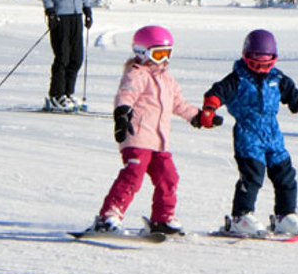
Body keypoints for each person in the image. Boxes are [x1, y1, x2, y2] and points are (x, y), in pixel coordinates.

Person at [197, 29, 298, 237]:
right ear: (245, 56)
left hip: (273, 134)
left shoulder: (277, 78)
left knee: (285, 175)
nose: (260, 69)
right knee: (252, 175)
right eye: (255, 63)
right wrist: (209, 109)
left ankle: (284, 216)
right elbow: (216, 93)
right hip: (248, 134)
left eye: (265, 64)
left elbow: (295, 97)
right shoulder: (237, 79)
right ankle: (241, 216)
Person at [91, 25, 213, 235]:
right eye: (158, 54)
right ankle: (109, 216)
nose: (163, 60)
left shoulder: (168, 80)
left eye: (167, 54)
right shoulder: (136, 75)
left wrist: (197, 116)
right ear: (141, 52)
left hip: (159, 142)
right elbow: (125, 95)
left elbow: (178, 104)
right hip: (137, 137)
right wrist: (122, 115)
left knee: (169, 177)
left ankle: (162, 219)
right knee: (133, 175)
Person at [38, 0, 92, 112]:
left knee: (76, 58)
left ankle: (68, 93)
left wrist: (87, 8)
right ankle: (56, 95)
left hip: (76, 15)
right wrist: (50, 11)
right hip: (60, 16)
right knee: (63, 56)